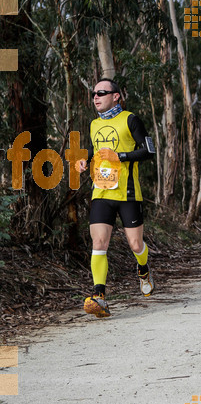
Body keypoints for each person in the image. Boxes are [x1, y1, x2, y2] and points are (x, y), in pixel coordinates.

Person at [76, 79, 156, 318]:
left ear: (116, 96)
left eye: (102, 93)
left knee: (135, 244)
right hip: (101, 192)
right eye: (94, 94)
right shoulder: (93, 125)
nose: (96, 97)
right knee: (99, 243)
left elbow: (149, 150)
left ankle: (143, 269)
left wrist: (119, 156)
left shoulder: (130, 119)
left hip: (128, 192)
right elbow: (95, 149)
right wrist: (85, 159)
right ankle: (99, 295)